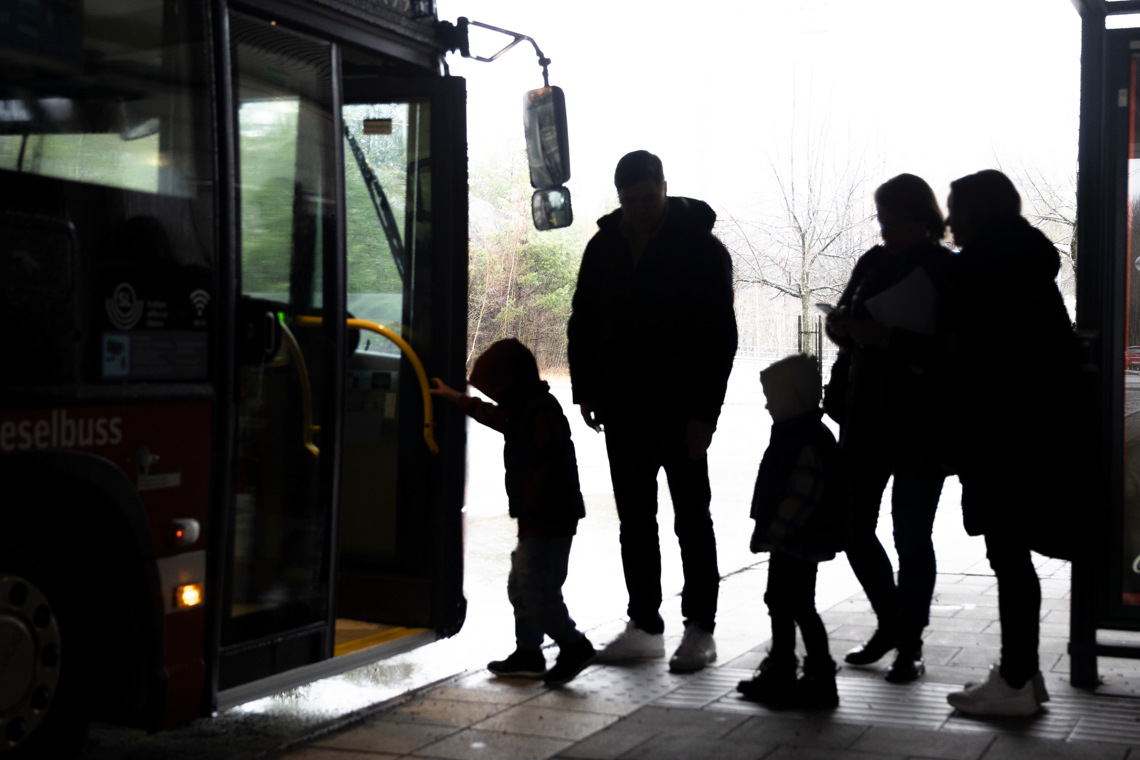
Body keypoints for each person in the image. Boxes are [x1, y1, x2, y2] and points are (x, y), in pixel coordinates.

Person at [566, 150, 738, 673]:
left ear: (666, 187)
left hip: (681, 410)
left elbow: (719, 339)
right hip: (624, 409)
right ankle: (645, 625)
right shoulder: (604, 246)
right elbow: (584, 320)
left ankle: (699, 630)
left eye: (647, 198)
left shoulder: (703, 251)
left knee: (691, 519)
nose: (639, 209)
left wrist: (704, 416)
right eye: (630, 201)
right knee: (636, 522)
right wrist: (587, 389)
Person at [942, 170, 1079, 716]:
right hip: (1037, 430)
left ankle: (1018, 679)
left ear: (978, 211)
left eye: (956, 208)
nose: (950, 220)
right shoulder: (1027, 266)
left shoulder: (979, 271)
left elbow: (967, 358)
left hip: (1000, 434)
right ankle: (1024, 674)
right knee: (1012, 552)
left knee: (1008, 554)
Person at [823, 173, 956, 683]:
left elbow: (954, 352)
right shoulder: (872, 263)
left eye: (895, 221)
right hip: (865, 412)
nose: (886, 231)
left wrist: (889, 338)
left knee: (911, 534)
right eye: (881, 220)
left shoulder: (946, 270)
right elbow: (850, 320)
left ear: (924, 219)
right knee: (853, 526)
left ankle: (909, 643)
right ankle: (891, 623)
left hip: (922, 419)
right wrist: (842, 326)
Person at [430, 338, 595, 687]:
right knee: (521, 585)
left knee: (536, 587)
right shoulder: (526, 408)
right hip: (538, 519)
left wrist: (533, 514)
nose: (492, 398)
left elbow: (551, 467)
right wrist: (454, 397)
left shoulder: (542, 412)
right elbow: (496, 417)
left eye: (494, 390)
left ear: (509, 384)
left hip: (549, 520)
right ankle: (529, 654)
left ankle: (574, 645)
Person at [736, 354, 848, 709]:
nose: (767, 404)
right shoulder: (798, 433)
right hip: (792, 540)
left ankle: (816, 676)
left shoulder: (803, 438)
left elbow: (802, 492)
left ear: (792, 396)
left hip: (796, 541)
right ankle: (785, 668)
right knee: (782, 602)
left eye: (772, 397)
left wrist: (777, 531)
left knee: (797, 605)